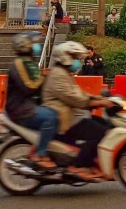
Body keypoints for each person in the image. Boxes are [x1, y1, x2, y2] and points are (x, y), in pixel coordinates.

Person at [41, 42, 114, 181]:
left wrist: (98, 99)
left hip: (71, 114)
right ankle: (79, 165)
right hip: (65, 118)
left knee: (104, 124)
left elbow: (79, 94)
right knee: (100, 133)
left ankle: (92, 161)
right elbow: (74, 98)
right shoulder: (58, 75)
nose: (76, 61)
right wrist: (96, 102)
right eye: (73, 57)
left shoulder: (65, 73)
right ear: (65, 57)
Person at [4, 32, 58, 169]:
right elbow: (29, 87)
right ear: (25, 46)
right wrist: (43, 77)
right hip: (21, 109)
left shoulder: (29, 63)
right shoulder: (19, 64)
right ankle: (40, 154)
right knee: (51, 118)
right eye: (33, 43)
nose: (36, 46)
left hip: (28, 106)